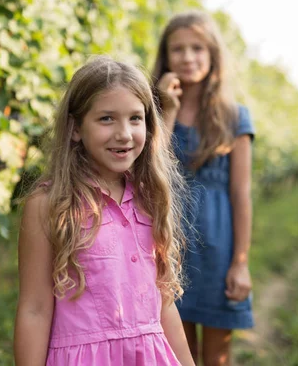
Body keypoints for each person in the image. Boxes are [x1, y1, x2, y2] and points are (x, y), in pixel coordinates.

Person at [14, 56, 195, 365]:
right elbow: (35, 309)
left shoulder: (150, 199)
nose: (124, 133)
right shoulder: (49, 205)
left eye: (135, 119)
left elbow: (164, 305)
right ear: (75, 128)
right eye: (107, 119)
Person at [153, 10, 255, 365]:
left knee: (216, 357)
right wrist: (166, 111)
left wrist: (240, 263)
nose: (187, 57)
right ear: (165, 57)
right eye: (177, 49)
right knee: (178, 355)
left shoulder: (234, 118)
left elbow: (241, 194)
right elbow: (150, 169)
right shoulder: (151, 109)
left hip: (217, 249)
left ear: (213, 56)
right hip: (167, 248)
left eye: (197, 48)